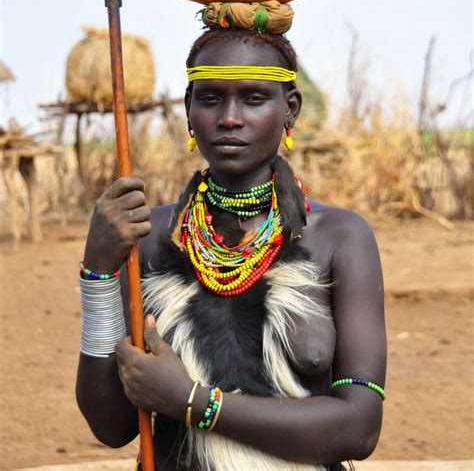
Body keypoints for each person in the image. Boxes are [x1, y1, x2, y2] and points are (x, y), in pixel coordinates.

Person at [76, 27, 387, 471]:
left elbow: (359, 427)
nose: (229, 118)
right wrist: (98, 273)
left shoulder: (340, 237)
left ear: (290, 109)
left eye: (254, 99)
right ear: (187, 110)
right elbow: (111, 427)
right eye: (210, 99)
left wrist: (191, 401)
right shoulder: (147, 235)